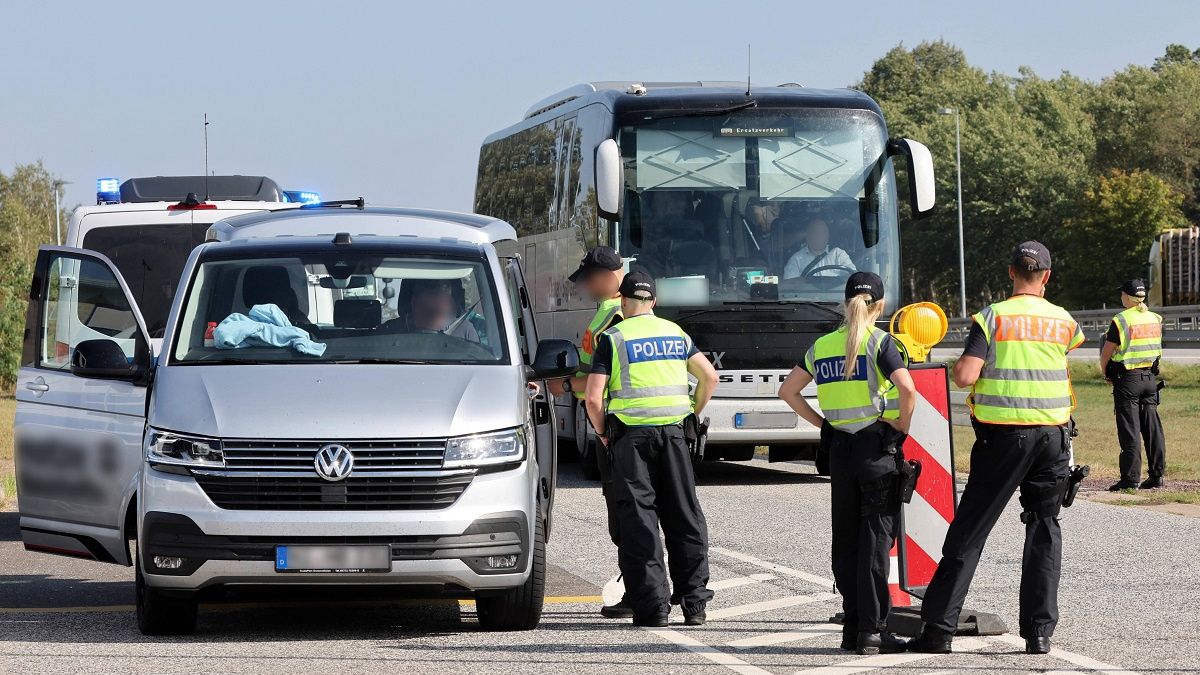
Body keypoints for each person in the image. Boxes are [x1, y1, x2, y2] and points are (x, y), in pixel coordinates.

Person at [909, 241, 1082, 656]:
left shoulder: (993, 317)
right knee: (1044, 530)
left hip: (1004, 439)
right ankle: (1039, 634)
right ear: (1046, 277)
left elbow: (966, 376)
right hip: (1054, 437)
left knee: (969, 532)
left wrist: (957, 365)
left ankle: (937, 631)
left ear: (1010, 273)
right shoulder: (1064, 321)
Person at [777, 271, 916, 655]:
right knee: (875, 542)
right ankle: (874, 630)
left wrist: (824, 425)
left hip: (840, 450)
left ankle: (852, 625)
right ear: (881, 305)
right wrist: (901, 425)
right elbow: (907, 388)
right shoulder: (881, 342)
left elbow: (787, 391)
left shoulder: (822, 345)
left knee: (847, 541)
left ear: (845, 302)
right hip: (875, 448)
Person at [584, 271, 719, 627]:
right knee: (684, 516)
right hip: (675, 435)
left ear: (623, 301)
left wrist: (603, 435)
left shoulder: (613, 337)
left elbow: (593, 398)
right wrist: (692, 412)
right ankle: (695, 605)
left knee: (639, 521)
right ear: (654, 302)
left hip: (631, 441)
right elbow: (710, 377)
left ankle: (653, 608)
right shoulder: (676, 333)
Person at [546, 245, 630, 618]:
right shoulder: (607, 312)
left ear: (610, 276)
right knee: (627, 509)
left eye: (589, 280)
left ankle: (638, 586)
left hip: (615, 423)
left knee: (626, 511)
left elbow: (605, 380)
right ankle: (641, 582)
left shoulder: (616, 316)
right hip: (615, 421)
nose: (585, 288)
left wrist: (565, 386)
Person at [1099, 279, 1166, 491]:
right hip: (1150, 379)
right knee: (1153, 429)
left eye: (1122, 294)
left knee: (1130, 430)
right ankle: (1157, 475)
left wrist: (1105, 371)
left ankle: (1130, 479)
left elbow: (1107, 352)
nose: (1121, 297)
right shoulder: (1155, 318)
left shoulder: (1121, 320)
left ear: (1128, 297)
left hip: (1128, 380)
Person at [399, 278, 479, 341]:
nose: (433, 319)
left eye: (440, 312)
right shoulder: (391, 332)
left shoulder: (464, 331)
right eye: (429, 313)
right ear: (414, 303)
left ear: (449, 306)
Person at [782, 218, 857, 279]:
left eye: (823, 232)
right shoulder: (796, 259)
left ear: (828, 236)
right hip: (806, 297)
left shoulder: (838, 253)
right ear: (807, 236)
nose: (819, 236)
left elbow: (854, 276)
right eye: (815, 232)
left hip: (837, 296)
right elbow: (789, 284)